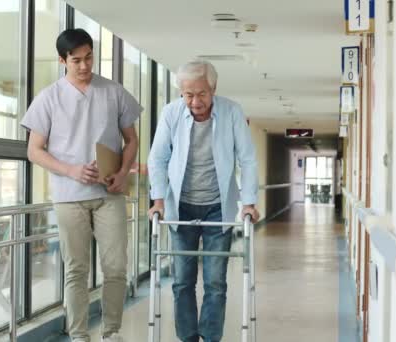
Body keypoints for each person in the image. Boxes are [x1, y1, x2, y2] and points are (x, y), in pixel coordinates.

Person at [21, 28, 141, 342]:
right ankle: (78, 335)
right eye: (77, 60)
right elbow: (34, 150)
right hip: (68, 196)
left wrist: (124, 170)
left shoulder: (113, 92)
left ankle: (112, 332)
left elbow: (131, 140)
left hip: (109, 194)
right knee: (76, 269)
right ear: (63, 60)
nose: (85, 66)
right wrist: (71, 170)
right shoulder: (48, 97)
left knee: (115, 267)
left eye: (89, 58)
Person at [147, 60, 259, 342]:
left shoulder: (231, 112)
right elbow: (157, 158)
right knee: (182, 281)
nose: (195, 101)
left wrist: (248, 202)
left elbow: (247, 159)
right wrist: (158, 199)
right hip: (179, 206)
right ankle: (187, 338)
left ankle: (210, 338)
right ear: (180, 92)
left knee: (215, 282)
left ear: (214, 89)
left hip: (217, 208)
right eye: (188, 94)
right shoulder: (171, 113)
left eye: (201, 94)